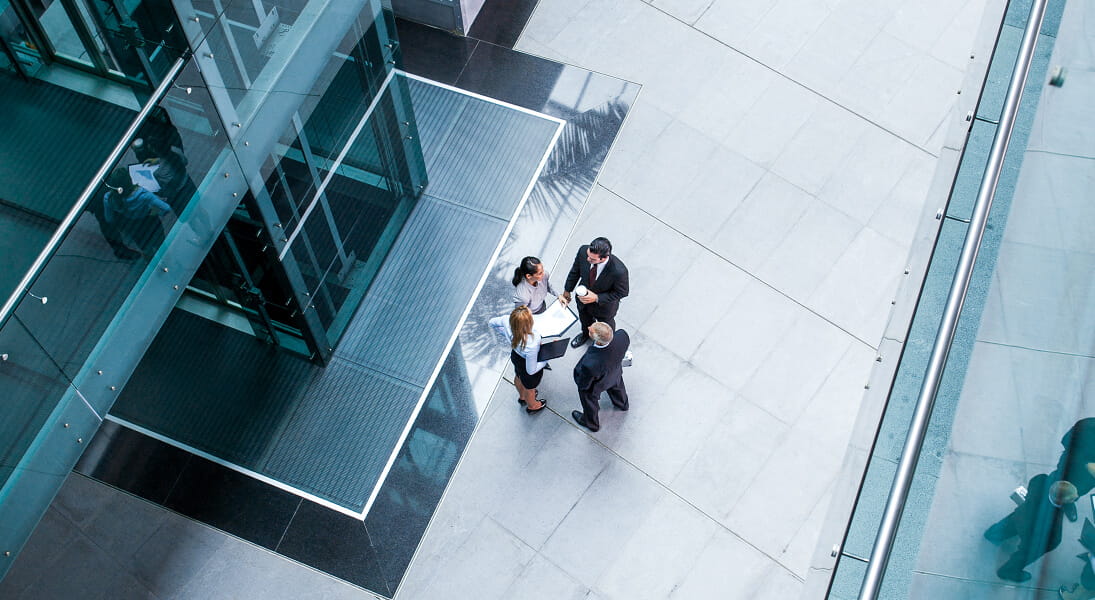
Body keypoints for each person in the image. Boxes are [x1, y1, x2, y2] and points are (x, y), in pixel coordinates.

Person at [984, 474, 1079, 582]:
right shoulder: (1055, 529)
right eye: (1073, 499)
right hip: (1029, 534)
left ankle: (992, 534)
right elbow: (1048, 544)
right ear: (1061, 501)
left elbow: (1033, 485)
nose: (1075, 499)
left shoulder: (1041, 479)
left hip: (1021, 514)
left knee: (1008, 525)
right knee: (1025, 555)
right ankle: (1008, 571)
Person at [562, 237, 629, 348]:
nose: (588, 259)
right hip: (583, 300)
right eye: (588, 255)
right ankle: (585, 335)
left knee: (606, 328)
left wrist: (597, 298)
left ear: (604, 258)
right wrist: (567, 290)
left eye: (592, 259)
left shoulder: (619, 271)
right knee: (585, 320)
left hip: (604, 307)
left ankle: (606, 345)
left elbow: (622, 292)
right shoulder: (583, 251)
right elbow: (575, 271)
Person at [571, 322, 630, 432]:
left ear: (597, 340)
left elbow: (585, 384)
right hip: (615, 373)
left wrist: (581, 385)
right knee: (617, 387)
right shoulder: (622, 336)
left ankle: (591, 423)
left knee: (588, 398)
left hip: (599, 384)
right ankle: (622, 403)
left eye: (591, 331)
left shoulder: (590, 363)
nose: (588, 327)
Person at [102, 167, 172, 257]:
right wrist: (155, 212)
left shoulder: (108, 198)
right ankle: (167, 258)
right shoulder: (143, 195)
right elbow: (166, 208)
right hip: (150, 222)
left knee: (145, 248)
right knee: (161, 244)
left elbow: (109, 219)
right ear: (130, 180)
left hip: (133, 227)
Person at [507, 306, 548, 414]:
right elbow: (531, 370)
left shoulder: (510, 327)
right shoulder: (532, 341)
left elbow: (493, 322)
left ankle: (522, 397)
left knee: (518, 376)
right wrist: (544, 361)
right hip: (528, 366)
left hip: (516, 357)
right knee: (530, 388)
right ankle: (533, 406)